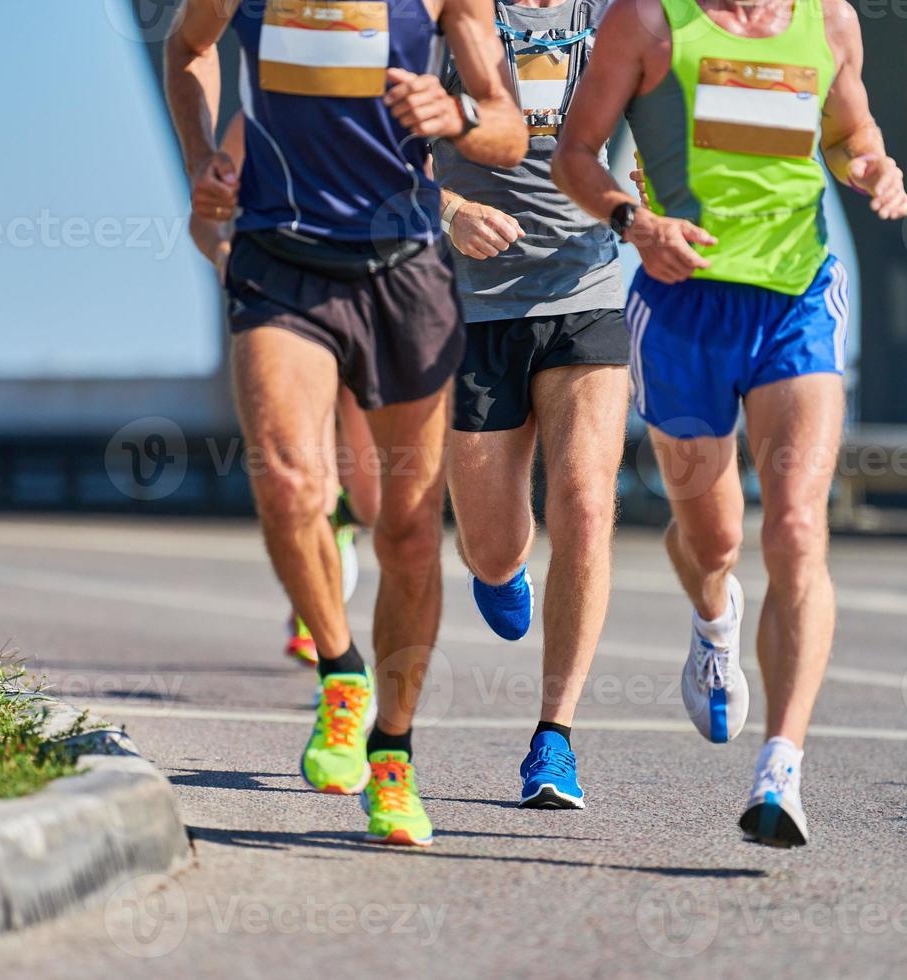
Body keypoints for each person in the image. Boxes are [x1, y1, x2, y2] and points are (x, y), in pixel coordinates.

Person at [166, 0, 526, 847]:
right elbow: (189, 47)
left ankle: (393, 754)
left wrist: (462, 117)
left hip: (402, 269)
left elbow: (507, 127)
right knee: (290, 485)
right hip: (279, 256)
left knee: (404, 531)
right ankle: (339, 671)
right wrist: (204, 159)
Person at [553, 0, 907, 846]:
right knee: (714, 541)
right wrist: (633, 223)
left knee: (793, 528)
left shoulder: (827, 20)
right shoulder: (645, 22)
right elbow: (575, 155)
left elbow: (850, 133)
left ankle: (780, 769)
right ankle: (714, 612)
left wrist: (873, 168)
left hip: (797, 302)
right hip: (682, 311)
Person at [431, 0, 628, 809]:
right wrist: (449, 211)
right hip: (470, 307)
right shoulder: (448, 16)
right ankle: (498, 567)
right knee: (494, 544)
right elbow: (380, 145)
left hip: (585, 289)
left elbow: (671, 106)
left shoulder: (614, 14)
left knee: (584, 505)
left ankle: (555, 738)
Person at [187, 115, 382, 668]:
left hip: (378, 309)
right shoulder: (259, 118)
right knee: (302, 477)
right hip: (289, 311)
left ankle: (342, 522)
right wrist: (226, 260)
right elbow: (204, 221)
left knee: (375, 503)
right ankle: (332, 645)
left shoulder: (395, 97)